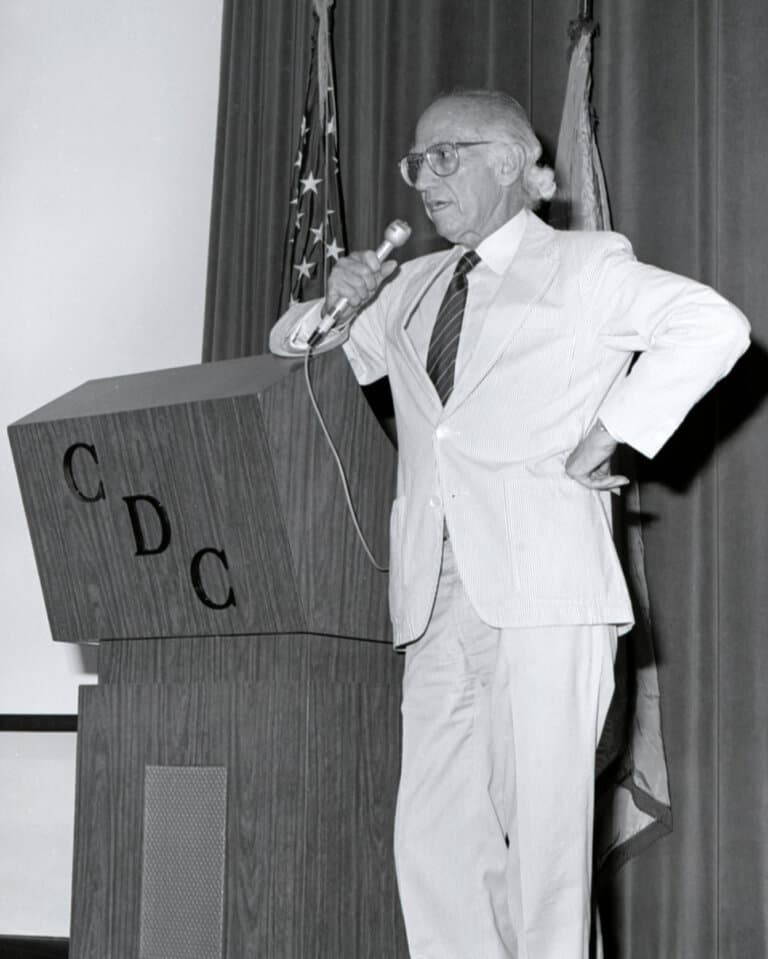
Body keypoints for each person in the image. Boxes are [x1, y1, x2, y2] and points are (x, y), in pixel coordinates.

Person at [270, 90, 750, 959]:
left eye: (446, 156)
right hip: (432, 595)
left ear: (509, 159)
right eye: (417, 164)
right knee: (434, 842)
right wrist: (335, 301)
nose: (425, 179)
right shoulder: (410, 284)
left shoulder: (585, 264)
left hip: (545, 594)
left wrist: (619, 428)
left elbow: (712, 322)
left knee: (545, 849)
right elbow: (294, 348)